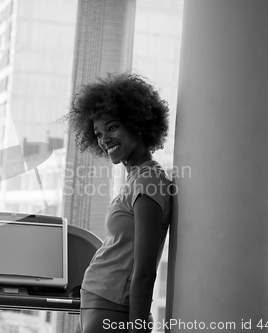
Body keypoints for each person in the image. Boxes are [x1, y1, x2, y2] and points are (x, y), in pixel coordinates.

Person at [65, 73, 172, 333]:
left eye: (113, 128)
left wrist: (137, 327)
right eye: (99, 134)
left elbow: (144, 272)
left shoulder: (149, 181)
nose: (104, 140)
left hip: (111, 307)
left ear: (138, 124)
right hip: (96, 300)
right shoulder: (135, 178)